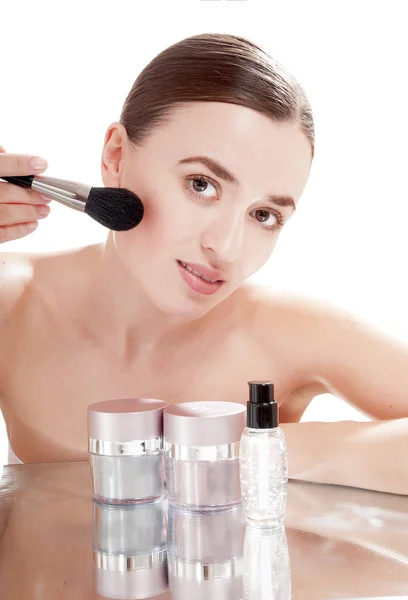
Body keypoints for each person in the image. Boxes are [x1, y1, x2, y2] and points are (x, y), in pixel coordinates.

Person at [1, 33, 408, 494]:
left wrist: (265, 447)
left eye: (264, 215)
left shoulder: (286, 332)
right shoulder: (13, 301)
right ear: (116, 157)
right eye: (201, 185)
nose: (228, 248)